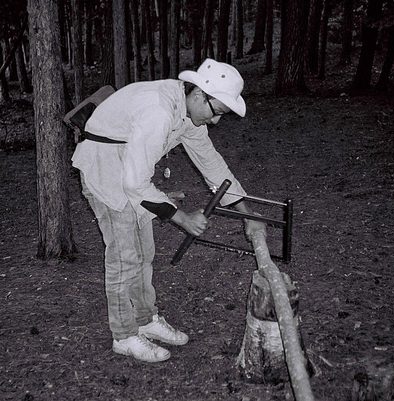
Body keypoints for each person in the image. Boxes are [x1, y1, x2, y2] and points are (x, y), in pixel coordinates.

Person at [72, 58, 265, 363]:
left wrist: (247, 214)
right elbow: (134, 183)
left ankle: (145, 319)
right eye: (216, 111)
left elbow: (211, 163)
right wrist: (182, 217)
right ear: (199, 94)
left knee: (144, 253)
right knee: (125, 257)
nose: (216, 121)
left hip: (130, 168)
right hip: (105, 168)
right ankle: (124, 335)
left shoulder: (186, 111)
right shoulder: (160, 111)